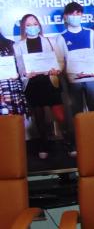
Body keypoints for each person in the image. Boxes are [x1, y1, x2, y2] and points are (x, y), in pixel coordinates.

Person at [14, 14, 67, 159]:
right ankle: (44, 145)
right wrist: (25, 73)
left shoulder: (50, 41)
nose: (32, 27)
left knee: (60, 115)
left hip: (50, 80)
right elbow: (19, 67)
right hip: (33, 84)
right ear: (24, 28)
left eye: (35, 23)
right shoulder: (18, 45)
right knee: (39, 117)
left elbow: (60, 60)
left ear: (39, 25)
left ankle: (68, 143)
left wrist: (58, 69)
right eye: (29, 25)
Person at [56, 2, 94, 118]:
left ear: (82, 15)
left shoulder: (91, 33)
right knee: (77, 113)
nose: (75, 16)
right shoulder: (61, 37)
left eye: (78, 13)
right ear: (65, 17)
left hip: (93, 78)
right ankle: (81, 135)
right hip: (73, 80)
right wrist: (56, 71)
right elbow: (60, 61)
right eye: (72, 14)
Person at [0, 31, 27, 116]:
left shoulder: (10, 44)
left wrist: (18, 73)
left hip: (9, 85)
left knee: (13, 119)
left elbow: (20, 64)